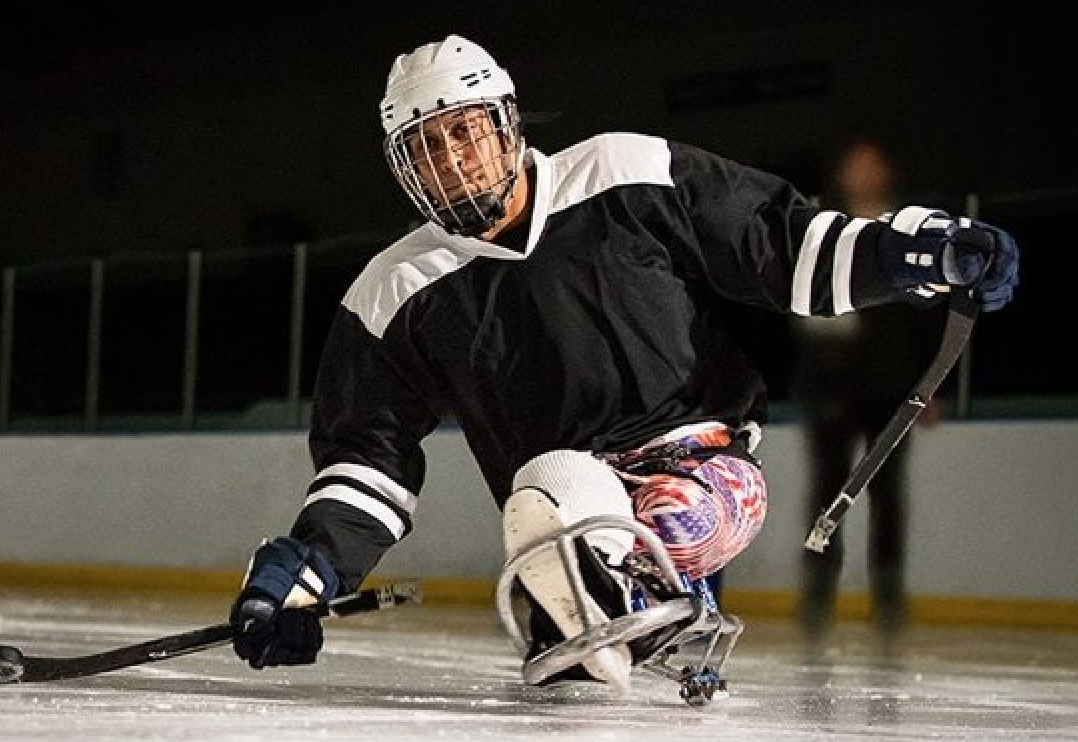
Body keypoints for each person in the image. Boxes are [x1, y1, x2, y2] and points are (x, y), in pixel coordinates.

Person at [225, 35, 1019, 690]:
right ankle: (599, 601)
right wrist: (308, 571)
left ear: (506, 123)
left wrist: (918, 252)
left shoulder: (624, 173)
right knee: (552, 501)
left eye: (463, 131)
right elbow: (368, 458)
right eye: (427, 147)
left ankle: (617, 595)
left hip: (704, 466)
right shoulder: (395, 290)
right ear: (404, 166)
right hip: (563, 510)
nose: (453, 160)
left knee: (610, 515)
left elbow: (778, 245)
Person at [793, 139, 943, 648]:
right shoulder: (827, 229)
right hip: (830, 387)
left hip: (892, 387)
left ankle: (888, 596)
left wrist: (929, 384)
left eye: (871, 165)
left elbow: (927, 318)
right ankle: (818, 593)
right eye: (854, 166)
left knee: (887, 495)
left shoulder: (907, 233)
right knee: (826, 493)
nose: (862, 174)